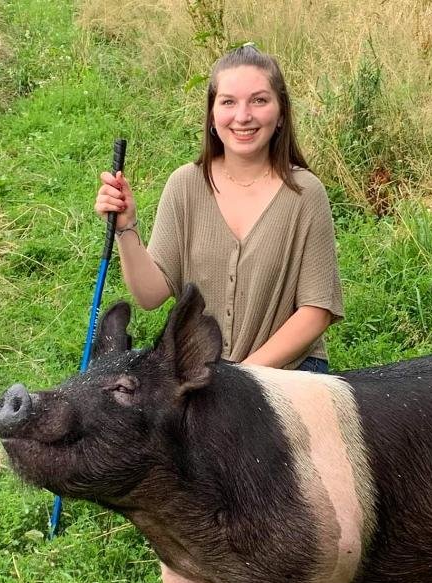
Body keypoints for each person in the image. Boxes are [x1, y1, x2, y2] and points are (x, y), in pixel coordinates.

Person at [94, 45, 343, 372]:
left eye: (259, 100)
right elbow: (150, 295)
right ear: (212, 115)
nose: (243, 116)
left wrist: (244, 381)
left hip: (288, 380)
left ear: (281, 113)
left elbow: (316, 312)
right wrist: (127, 227)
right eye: (228, 102)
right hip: (204, 380)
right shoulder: (184, 185)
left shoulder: (306, 193)